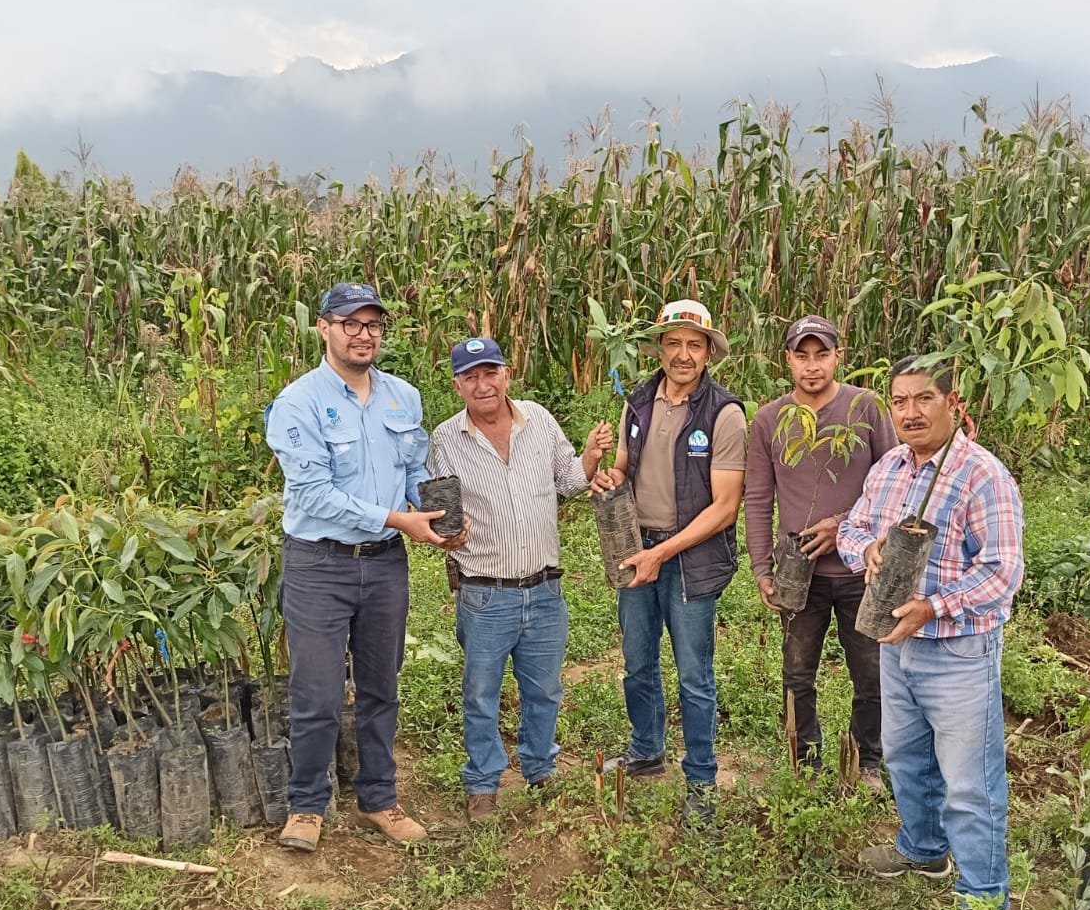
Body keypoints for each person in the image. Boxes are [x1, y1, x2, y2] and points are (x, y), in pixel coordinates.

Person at [264, 281, 458, 853]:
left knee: (380, 686)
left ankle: (379, 798)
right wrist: (401, 519)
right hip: (319, 564)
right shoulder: (297, 402)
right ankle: (306, 807)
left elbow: (410, 476)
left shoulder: (403, 397)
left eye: (373, 324)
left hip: (384, 566)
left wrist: (436, 520)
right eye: (351, 323)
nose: (363, 334)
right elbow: (315, 495)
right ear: (323, 327)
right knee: (317, 692)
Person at [837, 357, 1024, 910]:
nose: (910, 412)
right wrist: (865, 550)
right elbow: (851, 528)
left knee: (970, 780)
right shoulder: (890, 467)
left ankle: (984, 902)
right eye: (900, 401)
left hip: (957, 650)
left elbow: (1003, 571)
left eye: (924, 399)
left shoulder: (980, 474)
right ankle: (923, 850)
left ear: (952, 402)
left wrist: (933, 606)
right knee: (903, 756)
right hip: (897, 647)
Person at [428, 336, 613, 823]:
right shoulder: (447, 440)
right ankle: (484, 783)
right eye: (471, 376)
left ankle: (538, 769)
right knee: (481, 693)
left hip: (546, 590)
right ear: (457, 385)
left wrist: (591, 456)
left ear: (507, 374)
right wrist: (445, 535)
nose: (482, 384)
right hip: (486, 594)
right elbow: (441, 515)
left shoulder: (539, 420)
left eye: (490, 372)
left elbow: (569, 482)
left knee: (545, 690)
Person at [590, 299, 746, 828]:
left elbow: (725, 508)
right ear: (659, 348)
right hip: (638, 548)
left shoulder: (723, 413)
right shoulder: (636, 401)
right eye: (674, 343)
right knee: (637, 663)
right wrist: (609, 475)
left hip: (689, 561)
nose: (683, 354)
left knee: (694, 676)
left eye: (694, 345)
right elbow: (623, 469)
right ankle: (646, 749)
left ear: (708, 354)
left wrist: (663, 552)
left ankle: (701, 778)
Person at [744, 315, 896, 788]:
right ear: (787, 360)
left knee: (870, 672)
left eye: (822, 354)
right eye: (802, 356)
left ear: (838, 356)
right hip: (797, 571)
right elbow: (757, 498)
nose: (812, 366)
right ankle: (804, 763)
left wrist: (844, 527)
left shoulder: (865, 409)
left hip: (860, 569)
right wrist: (761, 568)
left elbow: (893, 484)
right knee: (797, 672)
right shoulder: (770, 420)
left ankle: (867, 761)